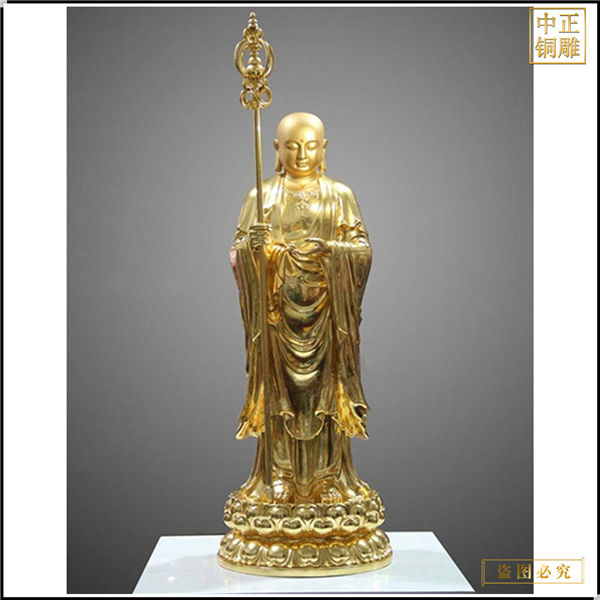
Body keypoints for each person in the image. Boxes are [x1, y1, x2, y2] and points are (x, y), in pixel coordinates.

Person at [230, 112, 373, 504]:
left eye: (310, 146)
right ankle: (279, 477)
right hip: (277, 317)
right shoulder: (261, 198)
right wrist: (255, 249)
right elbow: (239, 254)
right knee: (281, 397)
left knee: (327, 395)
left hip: (328, 316)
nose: (302, 154)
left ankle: (330, 479)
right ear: (276, 149)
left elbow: (362, 250)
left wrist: (332, 251)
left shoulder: (339, 195)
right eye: (292, 146)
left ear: (323, 149)